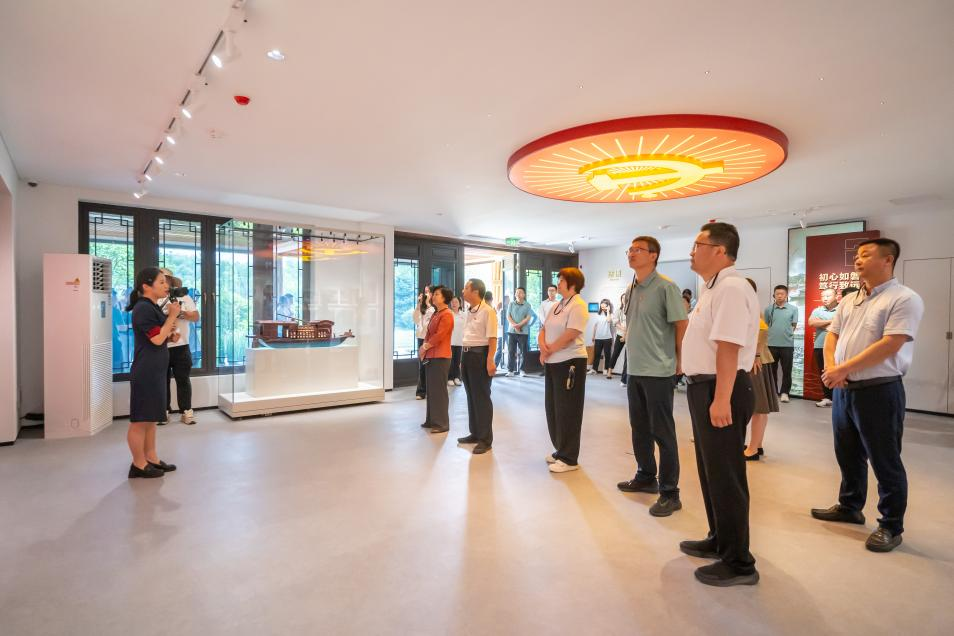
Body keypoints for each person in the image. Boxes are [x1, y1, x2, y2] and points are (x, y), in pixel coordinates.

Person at [813, 238, 924, 553]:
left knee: (885, 459)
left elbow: (891, 344)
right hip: (845, 390)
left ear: (888, 260)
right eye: (857, 256)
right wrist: (833, 368)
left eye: (866, 255)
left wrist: (842, 369)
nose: (858, 260)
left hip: (879, 390)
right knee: (847, 453)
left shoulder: (904, 298)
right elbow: (832, 334)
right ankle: (850, 506)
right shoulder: (851, 299)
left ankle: (891, 525)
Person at [679, 222, 760, 587]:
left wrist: (722, 399)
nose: (691, 251)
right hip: (706, 387)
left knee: (726, 475)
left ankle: (739, 562)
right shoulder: (712, 287)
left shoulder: (731, 287)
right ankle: (720, 539)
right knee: (711, 471)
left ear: (719, 251)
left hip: (721, 388)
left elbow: (728, 347)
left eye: (698, 245)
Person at [616, 236, 689, 517]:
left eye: (638, 250)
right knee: (639, 428)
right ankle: (646, 475)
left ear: (653, 255)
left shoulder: (666, 287)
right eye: (630, 250)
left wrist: (680, 359)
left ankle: (670, 493)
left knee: (663, 432)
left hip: (659, 370)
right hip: (635, 369)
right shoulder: (631, 287)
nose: (631, 254)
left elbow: (681, 324)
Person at [125, 267, 180, 479]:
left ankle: (151, 457)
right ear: (146, 286)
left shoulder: (152, 307)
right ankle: (138, 464)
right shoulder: (143, 308)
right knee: (140, 421)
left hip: (155, 369)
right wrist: (172, 316)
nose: (166, 286)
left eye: (166, 282)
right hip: (146, 371)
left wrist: (170, 336)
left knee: (151, 418)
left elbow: (158, 336)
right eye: (161, 282)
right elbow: (156, 339)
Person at [539, 267, 589, 473]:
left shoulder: (578, 305)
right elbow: (543, 329)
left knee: (568, 410)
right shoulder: (557, 305)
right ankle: (560, 450)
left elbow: (572, 333)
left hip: (570, 362)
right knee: (553, 408)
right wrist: (543, 348)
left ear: (572, 284)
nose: (557, 283)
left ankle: (569, 458)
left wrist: (550, 349)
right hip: (553, 362)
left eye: (561, 280)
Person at [458, 279, 498, 454]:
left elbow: (492, 338)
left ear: (475, 292)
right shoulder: (469, 310)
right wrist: (462, 358)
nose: (463, 290)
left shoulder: (488, 311)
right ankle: (475, 433)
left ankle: (485, 439)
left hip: (480, 356)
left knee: (481, 398)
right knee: (471, 396)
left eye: (466, 288)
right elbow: (467, 336)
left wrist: (490, 360)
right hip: (467, 355)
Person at [744, 278, 779, 460]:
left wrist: (756, 355)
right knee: (759, 406)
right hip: (757, 360)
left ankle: (753, 449)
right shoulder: (751, 305)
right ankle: (757, 444)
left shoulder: (749, 305)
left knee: (758, 406)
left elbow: (763, 330)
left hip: (755, 362)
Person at [160, 271, 200, 426]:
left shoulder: (184, 297)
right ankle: (163, 411)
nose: (164, 282)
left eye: (166, 279)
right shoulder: (155, 298)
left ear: (171, 280)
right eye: (160, 280)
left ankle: (186, 411)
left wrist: (179, 313)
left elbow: (195, 317)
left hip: (181, 345)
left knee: (183, 380)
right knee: (162, 381)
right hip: (160, 345)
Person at [420, 286, 455, 434]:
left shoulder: (447, 314)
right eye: (433, 294)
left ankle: (441, 423)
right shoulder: (436, 313)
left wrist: (425, 346)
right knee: (431, 390)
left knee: (439, 391)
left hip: (441, 356)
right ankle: (431, 420)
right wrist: (424, 348)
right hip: (431, 355)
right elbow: (429, 333)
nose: (433, 296)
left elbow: (440, 335)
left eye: (437, 294)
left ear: (444, 297)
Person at [764, 284, 798, 402]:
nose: (779, 296)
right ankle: (773, 392)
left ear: (786, 295)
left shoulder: (793, 309)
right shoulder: (768, 309)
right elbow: (766, 325)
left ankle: (785, 393)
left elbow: (794, 325)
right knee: (771, 370)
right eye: (777, 294)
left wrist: (787, 334)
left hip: (787, 345)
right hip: (771, 344)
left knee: (787, 370)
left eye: (782, 294)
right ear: (774, 295)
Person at [808, 288, 839, 407]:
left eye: (828, 296)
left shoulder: (841, 308)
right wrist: (831, 321)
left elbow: (842, 323)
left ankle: (838, 398)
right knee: (824, 372)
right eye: (823, 296)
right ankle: (827, 397)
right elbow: (811, 323)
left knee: (837, 371)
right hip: (820, 346)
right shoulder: (818, 310)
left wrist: (822, 322)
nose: (825, 298)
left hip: (837, 347)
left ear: (836, 296)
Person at [412, 286, 434, 400]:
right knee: (422, 365)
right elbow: (415, 320)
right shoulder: (421, 307)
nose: (426, 294)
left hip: (431, 339)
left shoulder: (434, 308)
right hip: (421, 338)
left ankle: (431, 390)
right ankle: (421, 391)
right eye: (425, 292)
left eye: (428, 292)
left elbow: (430, 325)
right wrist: (418, 305)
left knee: (430, 365)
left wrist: (427, 304)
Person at [506, 287, 533, 377]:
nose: (518, 293)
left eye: (520, 292)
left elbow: (528, 317)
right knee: (511, 351)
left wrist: (519, 325)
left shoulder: (528, 305)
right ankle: (510, 370)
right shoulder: (511, 304)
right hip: (512, 331)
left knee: (523, 352)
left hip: (523, 332)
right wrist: (515, 325)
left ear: (524, 295)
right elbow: (508, 316)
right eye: (516, 292)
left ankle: (522, 370)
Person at [589, 299, 614, 375]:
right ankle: (594, 369)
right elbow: (595, 326)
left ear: (608, 306)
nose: (602, 307)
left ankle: (606, 369)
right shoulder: (598, 314)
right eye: (601, 305)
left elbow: (609, 321)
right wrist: (593, 336)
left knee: (607, 355)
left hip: (607, 338)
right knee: (597, 354)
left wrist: (608, 311)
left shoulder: (610, 314)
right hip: (598, 338)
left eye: (604, 305)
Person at [608, 291, 628, 385]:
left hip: (629, 335)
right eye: (622, 298)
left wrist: (627, 331)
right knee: (615, 353)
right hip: (620, 334)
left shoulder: (631, 309)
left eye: (625, 298)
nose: (624, 299)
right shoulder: (619, 311)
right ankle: (609, 371)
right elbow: (615, 322)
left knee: (627, 357)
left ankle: (624, 378)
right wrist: (623, 329)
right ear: (621, 300)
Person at [448, 296, 465, 386]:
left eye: (456, 302)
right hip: (450, 341)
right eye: (452, 302)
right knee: (450, 361)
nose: (454, 304)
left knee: (458, 361)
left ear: (460, 304)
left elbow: (466, 328)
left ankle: (457, 377)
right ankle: (450, 378)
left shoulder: (463, 315)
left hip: (460, 341)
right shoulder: (448, 314)